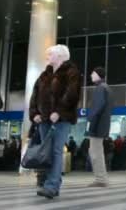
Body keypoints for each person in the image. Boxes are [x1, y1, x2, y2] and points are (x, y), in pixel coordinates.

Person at [29, 44, 80, 199]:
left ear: (60, 56)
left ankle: (51, 186)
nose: (47, 56)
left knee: (56, 151)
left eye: (50, 54)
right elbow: (35, 94)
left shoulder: (71, 72)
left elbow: (72, 94)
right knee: (47, 152)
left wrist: (59, 111)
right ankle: (51, 183)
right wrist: (34, 113)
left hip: (61, 119)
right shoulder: (45, 74)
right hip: (44, 119)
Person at [87, 67, 113, 187]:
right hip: (102, 125)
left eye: (93, 73)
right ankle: (101, 178)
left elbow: (97, 107)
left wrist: (90, 120)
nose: (91, 75)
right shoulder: (106, 87)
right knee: (97, 151)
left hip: (97, 126)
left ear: (98, 75)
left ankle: (101, 179)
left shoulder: (100, 88)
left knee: (95, 152)